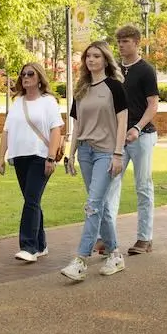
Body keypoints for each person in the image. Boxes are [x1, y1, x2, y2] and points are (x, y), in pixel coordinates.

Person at [60, 41, 129, 282]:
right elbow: (77, 125)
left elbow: (122, 122)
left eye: (97, 56)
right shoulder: (81, 88)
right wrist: (71, 153)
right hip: (86, 153)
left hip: (106, 153)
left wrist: (118, 154)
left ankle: (80, 260)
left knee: (92, 205)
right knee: (101, 206)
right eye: (88, 56)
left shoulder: (114, 87)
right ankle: (115, 255)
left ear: (105, 60)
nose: (91, 60)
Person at [102, 24, 160, 256]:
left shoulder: (146, 70)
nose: (121, 45)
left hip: (142, 136)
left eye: (126, 41)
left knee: (143, 186)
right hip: (118, 138)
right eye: (119, 41)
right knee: (110, 185)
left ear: (136, 42)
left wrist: (137, 127)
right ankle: (108, 239)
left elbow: (153, 104)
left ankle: (145, 238)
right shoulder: (114, 71)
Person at [0, 62, 64, 263]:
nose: (25, 77)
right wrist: (1, 157)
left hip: (40, 157)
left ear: (39, 77)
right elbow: (6, 131)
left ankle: (28, 247)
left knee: (31, 200)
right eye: (23, 74)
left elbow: (56, 130)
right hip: (20, 157)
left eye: (30, 74)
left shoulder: (48, 102)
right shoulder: (17, 102)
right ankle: (41, 244)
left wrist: (51, 157)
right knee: (32, 200)